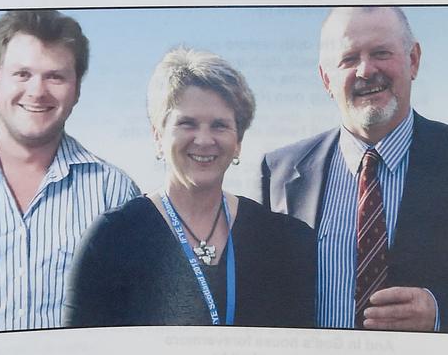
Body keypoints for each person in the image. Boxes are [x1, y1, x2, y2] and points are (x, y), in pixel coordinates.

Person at [62, 47, 315, 328]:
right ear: (158, 136)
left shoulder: (284, 240)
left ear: (238, 142)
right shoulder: (111, 238)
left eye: (220, 125)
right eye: (187, 124)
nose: (204, 140)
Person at [260, 7, 448, 333]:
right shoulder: (280, 172)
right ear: (325, 79)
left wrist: (441, 312)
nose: (365, 70)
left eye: (381, 53)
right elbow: (265, 296)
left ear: (413, 60)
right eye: (348, 59)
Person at [0, 10, 140, 335]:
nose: (37, 91)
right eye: (22, 74)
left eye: (55, 76)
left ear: (77, 89)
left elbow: (133, 321)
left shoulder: (115, 193)